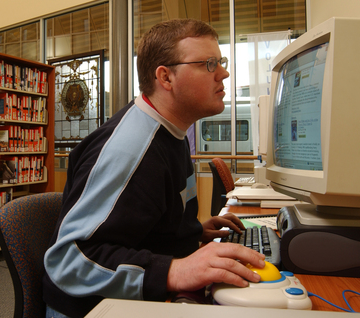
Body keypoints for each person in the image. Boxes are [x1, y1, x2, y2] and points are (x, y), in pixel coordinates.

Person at [43, 19, 266, 318]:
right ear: (166, 77)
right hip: (93, 308)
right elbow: (69, 261)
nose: (224, 73)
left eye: (221, 61)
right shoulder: (130, 149)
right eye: (210, 63)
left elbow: (143, 220)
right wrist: (174, 270)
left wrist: (193, 232)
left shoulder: (172, 132)